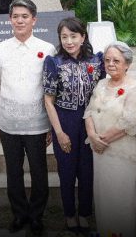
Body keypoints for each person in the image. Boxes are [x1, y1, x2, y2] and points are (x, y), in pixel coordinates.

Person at [0, 0, 56, 235]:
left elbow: (51, 90)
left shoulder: (47, 49)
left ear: (34, 20)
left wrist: (50, 125)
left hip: (37, 124)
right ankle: (19, 214)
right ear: (10, 20)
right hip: (8, 123)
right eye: (15, 16)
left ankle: (36, 216)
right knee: (13, 171)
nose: (20, 20)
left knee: (39, 172)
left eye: (24, 16)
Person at [42, 17, 104, 233]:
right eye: (64, 37)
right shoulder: (54, 62)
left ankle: (85, 213)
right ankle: (69, 214)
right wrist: (58, 132)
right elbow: (48, 100)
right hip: (64, 119)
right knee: (67, 170)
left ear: (83, 37)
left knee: (87, 170)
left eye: (73, 36)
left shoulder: (97, 61)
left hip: (90, 121)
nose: (69, 41)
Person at [84, 41, 136, 237]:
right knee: (104, 196)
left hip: (121, 153)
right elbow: (88, 110)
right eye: (107, 60)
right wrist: (91, 135)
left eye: (116, 60)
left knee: (120, 197)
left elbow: (130, 122)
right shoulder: (101, 83)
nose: (110, 64)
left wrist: (100, 139)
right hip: (100, 152)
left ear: (127, 64)